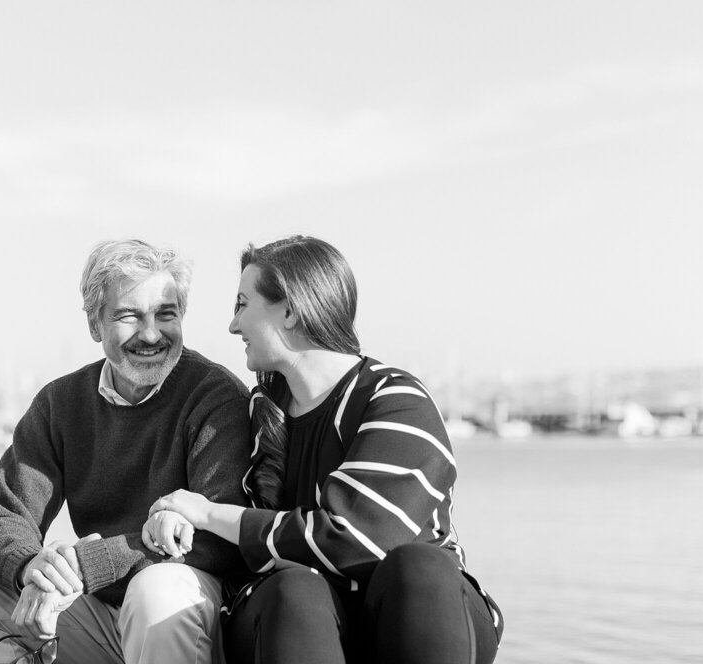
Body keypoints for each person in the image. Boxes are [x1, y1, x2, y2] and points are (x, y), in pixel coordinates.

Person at [142, 235, 503, 664]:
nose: (232, 326)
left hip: (416, 617)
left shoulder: (395, 399)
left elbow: (357, 540)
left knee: (418, 568)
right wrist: (172, 515)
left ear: (290, 310)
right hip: (292, 623)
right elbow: (225, 534)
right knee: (295, 587)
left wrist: (208, 513)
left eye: (242, 304)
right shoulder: (259, 411)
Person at [0, 239, 251, 664]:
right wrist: (32, 568)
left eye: (165, 314)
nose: (151, 334)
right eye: (129, 316)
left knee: (156, 591)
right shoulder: (60, 403)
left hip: (186, 616)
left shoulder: (215, 397)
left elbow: (219, 535)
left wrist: (90, 562)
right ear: (95, 325)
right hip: (95, 610)